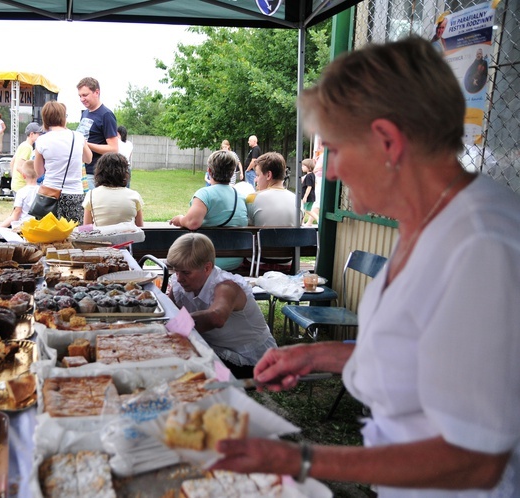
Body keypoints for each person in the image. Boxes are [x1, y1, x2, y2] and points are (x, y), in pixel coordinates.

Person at [212, 37, 520, 497]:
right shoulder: (426, 219)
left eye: (334, 148)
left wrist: (299, 458)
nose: (329, 172)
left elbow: (474, 461)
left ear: (388, 141)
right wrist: (316, 354)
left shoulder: (480, 246)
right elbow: (418, 357)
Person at [167, 233, 277, 378]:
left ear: (207, 268)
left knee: (183, 370)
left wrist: (174, 325)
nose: (179, 278)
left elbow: (216, 317)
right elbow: (168, 311)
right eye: (176, 270)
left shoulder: (226, 287)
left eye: (186, 272)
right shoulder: (179, 282)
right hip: (217, 349)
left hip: (250, 359)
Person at [169, 149, 248, 271]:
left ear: (209, 171)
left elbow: (192, 223)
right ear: (233, 173)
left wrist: (180, 219)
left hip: (206, 261)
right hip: (235, 260)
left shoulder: (205, 194)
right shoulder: (240, 196)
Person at [34, 101, 92, 224]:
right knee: (73, 236)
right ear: (63, 117)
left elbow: (39, 172)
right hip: (75, 193)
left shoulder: (41, 140)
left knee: (48, 236)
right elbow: (88, 159)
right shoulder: (78, 137)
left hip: (49, 195)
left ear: (45, 118)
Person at [76, 77, 118, 190]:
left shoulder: (106, 115)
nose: (82, 99)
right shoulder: (84, 113)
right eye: (80, 96)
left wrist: (86, 144)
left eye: (85, 95)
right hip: (82, 170)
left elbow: (113, 148)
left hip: (95, 173)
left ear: (96, 92)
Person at [82, 152, 144, 227]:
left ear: (99, 172)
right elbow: (140, 227)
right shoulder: (134, 196)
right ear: (125, 172)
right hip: (127, 238)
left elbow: (86, 228)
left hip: (101, 238)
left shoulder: (91, 195)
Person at [246, 152, 296, 226]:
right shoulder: (297, 201)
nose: (255, 180)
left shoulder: (252, 198)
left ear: (268, 175)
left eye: (258, 175)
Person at [0, 160, 38, 228]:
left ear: (23, 175)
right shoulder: (42, 191)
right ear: (38, 174)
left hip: (24, 226)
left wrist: (0, 228)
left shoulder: (21, 192)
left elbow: (16, 213)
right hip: (38, 226)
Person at [11, 122, 43, 193]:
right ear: (32, 134)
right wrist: (31, 179)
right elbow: (19, 167)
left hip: (16, 184)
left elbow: (12, 162)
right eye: (38, 134)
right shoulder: (27, 147)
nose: (40, 136)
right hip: (21, 186)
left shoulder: (23, 145)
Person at [300, 158, 317, 226]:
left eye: (303, 166)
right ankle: (302, 223)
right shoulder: (312, 175)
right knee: (307, 210)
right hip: (311, 196)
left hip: (307, 197)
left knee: (304, 209)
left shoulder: (308, 176)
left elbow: (309, 187)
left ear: (309, 167)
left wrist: (305, 197)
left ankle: (318, 219)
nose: (302, 167)